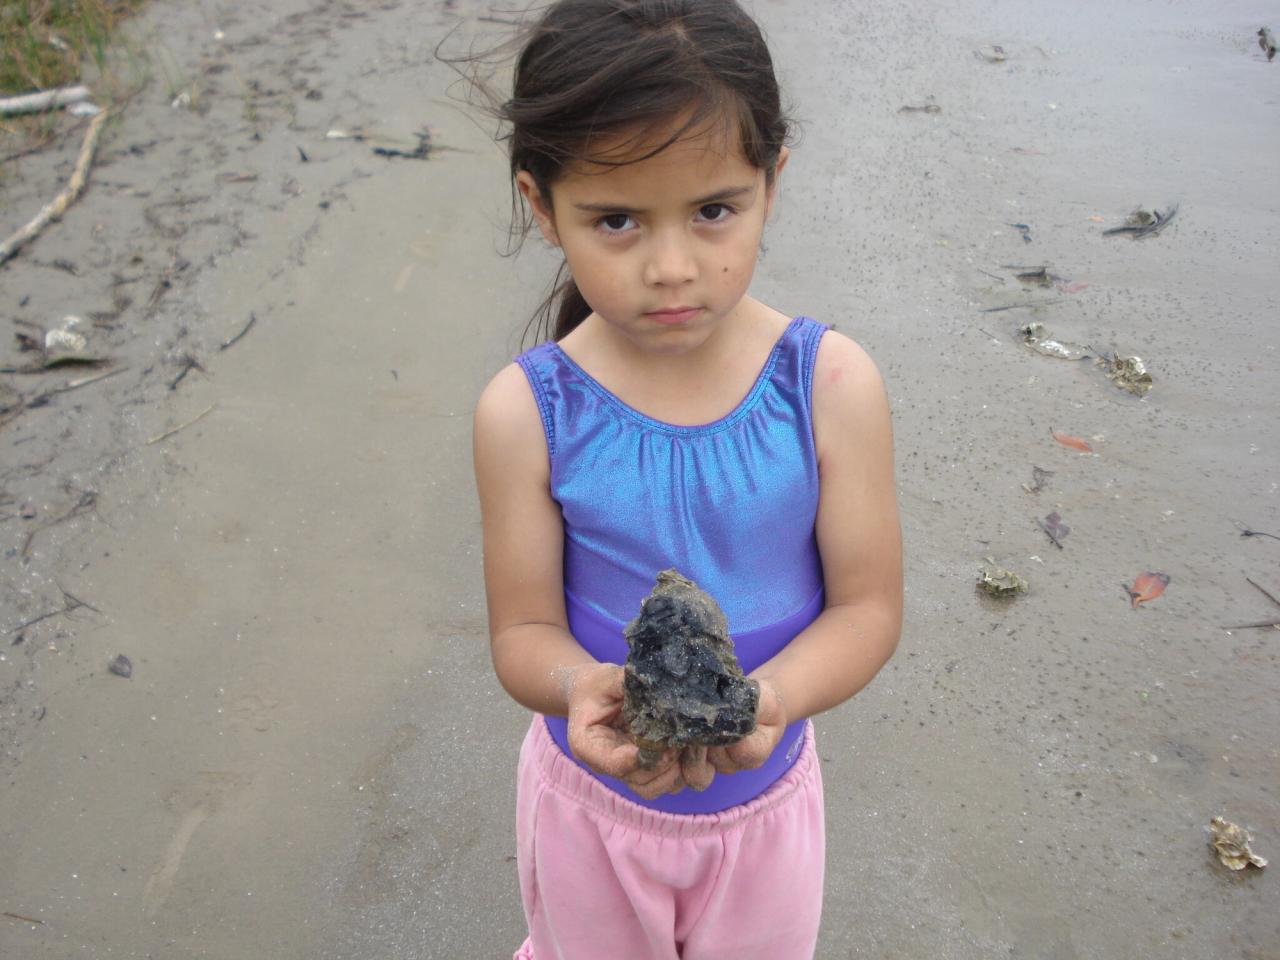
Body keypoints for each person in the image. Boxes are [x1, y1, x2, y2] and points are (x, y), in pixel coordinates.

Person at [471, 2, 903, 957]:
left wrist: (774, 701)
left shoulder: (829, 386)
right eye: (616, 220)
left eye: (714, 210)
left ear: (770, 182)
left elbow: (867, 611)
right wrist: (579, 685)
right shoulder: (526, 413)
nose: (673, 268)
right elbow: (522, 632)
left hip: (766, 816)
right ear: (541, 205)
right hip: (592, 812)